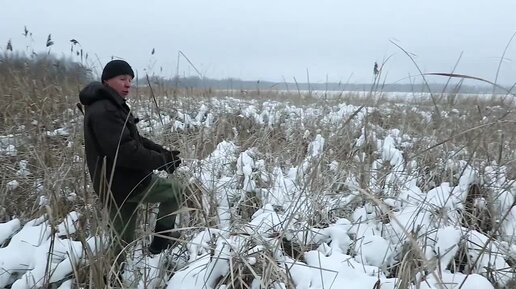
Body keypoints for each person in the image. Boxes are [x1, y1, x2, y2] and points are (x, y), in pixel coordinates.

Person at [79, 59, 183, 263]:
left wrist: (162, 152)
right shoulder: (106, 110)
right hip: (128, 182)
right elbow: (126, 151)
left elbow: (133, 139)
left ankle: (112, 275)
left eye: (130, 80)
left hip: (113, 185)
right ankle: (161, 244)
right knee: (175, 191)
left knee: (122, 239)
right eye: (122, 79)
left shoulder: (108, 105)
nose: (128, 84)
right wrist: (161, 161)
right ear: (107, 81)